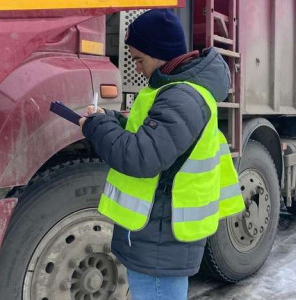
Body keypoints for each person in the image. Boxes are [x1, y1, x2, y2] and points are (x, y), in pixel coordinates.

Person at [79, 9, 244, 300]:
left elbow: (141, 156)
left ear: (159, 54)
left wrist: (96, 127)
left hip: (161, 238)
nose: (138, 69)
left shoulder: (182, 97)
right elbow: (155, 139)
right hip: (159, 233)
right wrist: (111, 120)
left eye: (140, 59)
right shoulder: (178, 93)